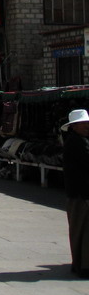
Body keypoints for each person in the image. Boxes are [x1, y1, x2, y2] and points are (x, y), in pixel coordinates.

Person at [62, 108, 89, 278]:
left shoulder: (76, 140)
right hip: (81, 194)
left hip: (77, 193)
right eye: (83, 123)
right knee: (83, 229)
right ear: (74, 126)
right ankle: (83, 265)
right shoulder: (78, 143)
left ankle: (79, 263)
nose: (86, 126)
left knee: (78, 229)